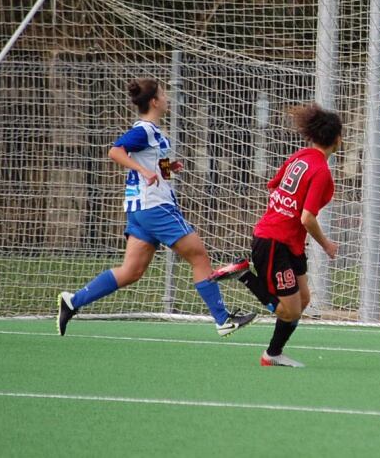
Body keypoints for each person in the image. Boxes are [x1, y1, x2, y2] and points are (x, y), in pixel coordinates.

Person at [56, 77, 256, 338]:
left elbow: (151, 164)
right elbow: (115, 151)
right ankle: (222, 319)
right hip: (155, 208)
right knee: (198, 256)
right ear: (154, 101)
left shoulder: (156, 132)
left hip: (142, 211)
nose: (167, 97)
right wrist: (142, 170)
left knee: (131, 271)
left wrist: (167, 169)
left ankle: (73, 302)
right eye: (164, 93)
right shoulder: (144, 130)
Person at [212, 103, 342, 367]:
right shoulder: (321, 171)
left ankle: (272, 354)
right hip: (275, 243)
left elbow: (273, 187)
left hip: (289, 243)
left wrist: (284, 213)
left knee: (303, 300)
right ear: (337, 139)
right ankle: (245, 275)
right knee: (288, 309)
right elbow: (307, 218)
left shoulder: (299, 157)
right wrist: (326, 244)